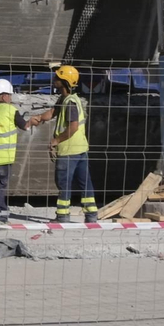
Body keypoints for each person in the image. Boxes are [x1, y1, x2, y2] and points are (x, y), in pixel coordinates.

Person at [0, 78, 37, 226]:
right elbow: (25, 126)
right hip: (3, 157)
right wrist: (35, 120)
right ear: (4, 96)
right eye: (10, 95)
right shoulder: (10, 110)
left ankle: (3, 216)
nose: (11, 98)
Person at [48, 65, 96, 223]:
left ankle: (62, 215)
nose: (54, 80)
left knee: (63, 182)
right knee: (85, 182)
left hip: (69, 150)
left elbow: (73, 127)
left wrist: (56, 140)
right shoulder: (67, 99)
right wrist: (38, 118)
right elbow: (52, 112)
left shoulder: (69, 103)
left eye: (57, 78)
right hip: (80, 148)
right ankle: (91, 215)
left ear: (64, 81)